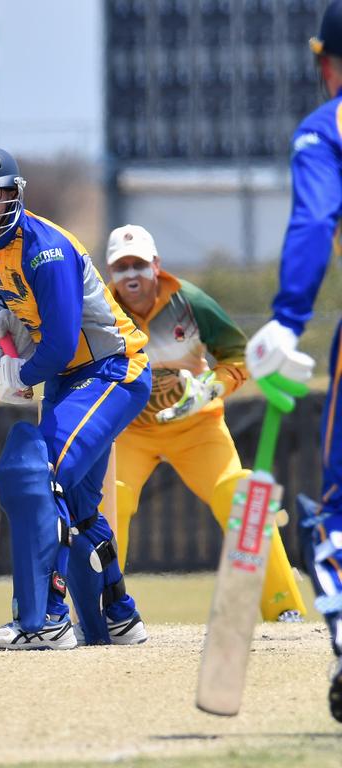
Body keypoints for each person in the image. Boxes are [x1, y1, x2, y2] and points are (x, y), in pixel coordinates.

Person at [0, 146, 152, 650]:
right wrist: (4, 321)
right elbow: (33, 319)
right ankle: (119, 616)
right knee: (78, 508)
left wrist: (20, 373)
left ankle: (47, 620)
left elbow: (58, 343)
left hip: (110, 371)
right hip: (68, 379)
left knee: (39, 475)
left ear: (14, 194)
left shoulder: (45, 248)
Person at [104, 225, 307, 623]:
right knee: (113, 497)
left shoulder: (189, 302)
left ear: (156, 265)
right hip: (132, 430)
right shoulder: (101, 309)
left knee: (241, 492)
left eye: (140, 265)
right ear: (110, 272)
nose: (132, 275)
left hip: (196, 427)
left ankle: (284, 607)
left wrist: (211, 388)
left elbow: (239, 355)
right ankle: (104, 613)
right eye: (122, 266)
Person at [246, 0, 342, 723]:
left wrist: (287, 319)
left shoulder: (327, 128)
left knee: (338, 513)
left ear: (325, 61)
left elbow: (314, 221)